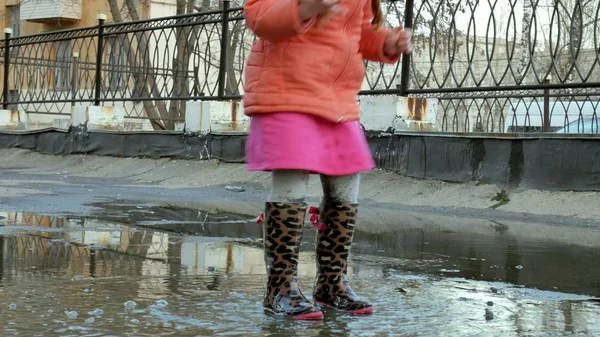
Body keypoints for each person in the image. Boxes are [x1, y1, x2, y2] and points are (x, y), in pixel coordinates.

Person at [243, 0, 413, 320]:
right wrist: (307, 7)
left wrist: (386, 42)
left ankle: (331, 283)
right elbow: (259, 15)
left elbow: (359, 32)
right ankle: (280, 287)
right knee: (292, 176)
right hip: (286, 90)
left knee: (348, 176)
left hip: (336, 99)